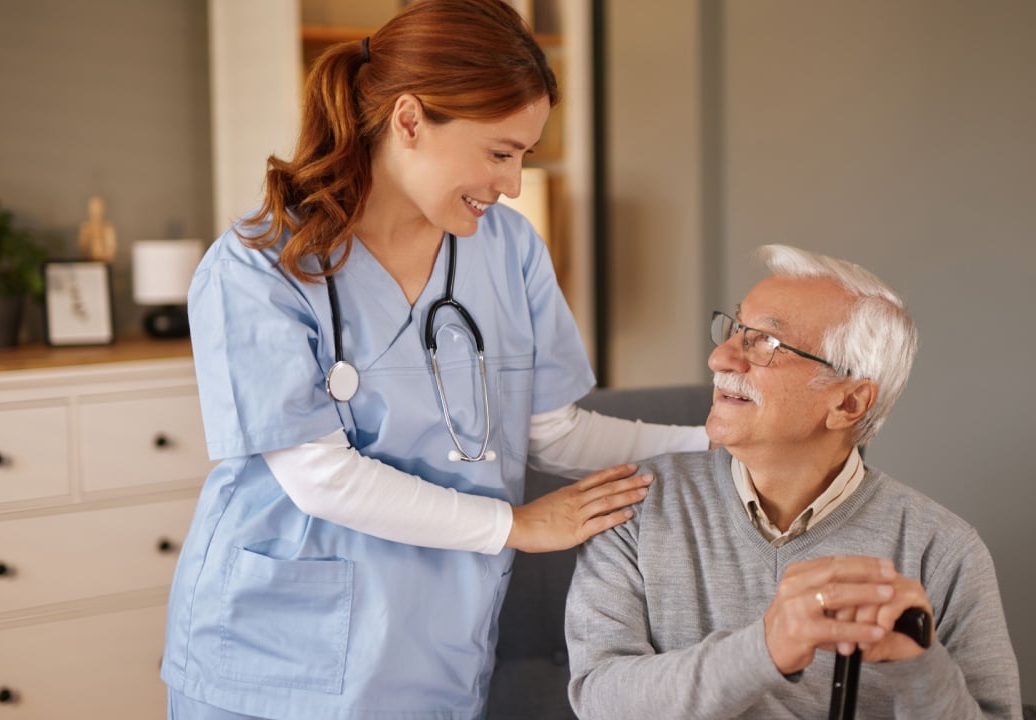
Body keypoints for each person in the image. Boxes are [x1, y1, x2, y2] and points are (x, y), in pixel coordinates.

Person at [159, 1, 706, 718]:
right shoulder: (259, 264)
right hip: (275, 658)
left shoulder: (509, 250)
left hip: (433, 654)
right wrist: (516, 526)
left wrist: (710, 441)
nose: (512, 183)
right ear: (410, 121)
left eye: (524, 157)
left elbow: (555, 432)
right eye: (499, 152)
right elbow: (320, 477)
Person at [565, 244, 1022, 719]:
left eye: (765, 343)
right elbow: (600, 701)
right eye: (736, 330)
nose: (720, 358)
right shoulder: (631, 502)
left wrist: (920, 667)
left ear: (848, 403)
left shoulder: (942, 550)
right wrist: (765, 648)